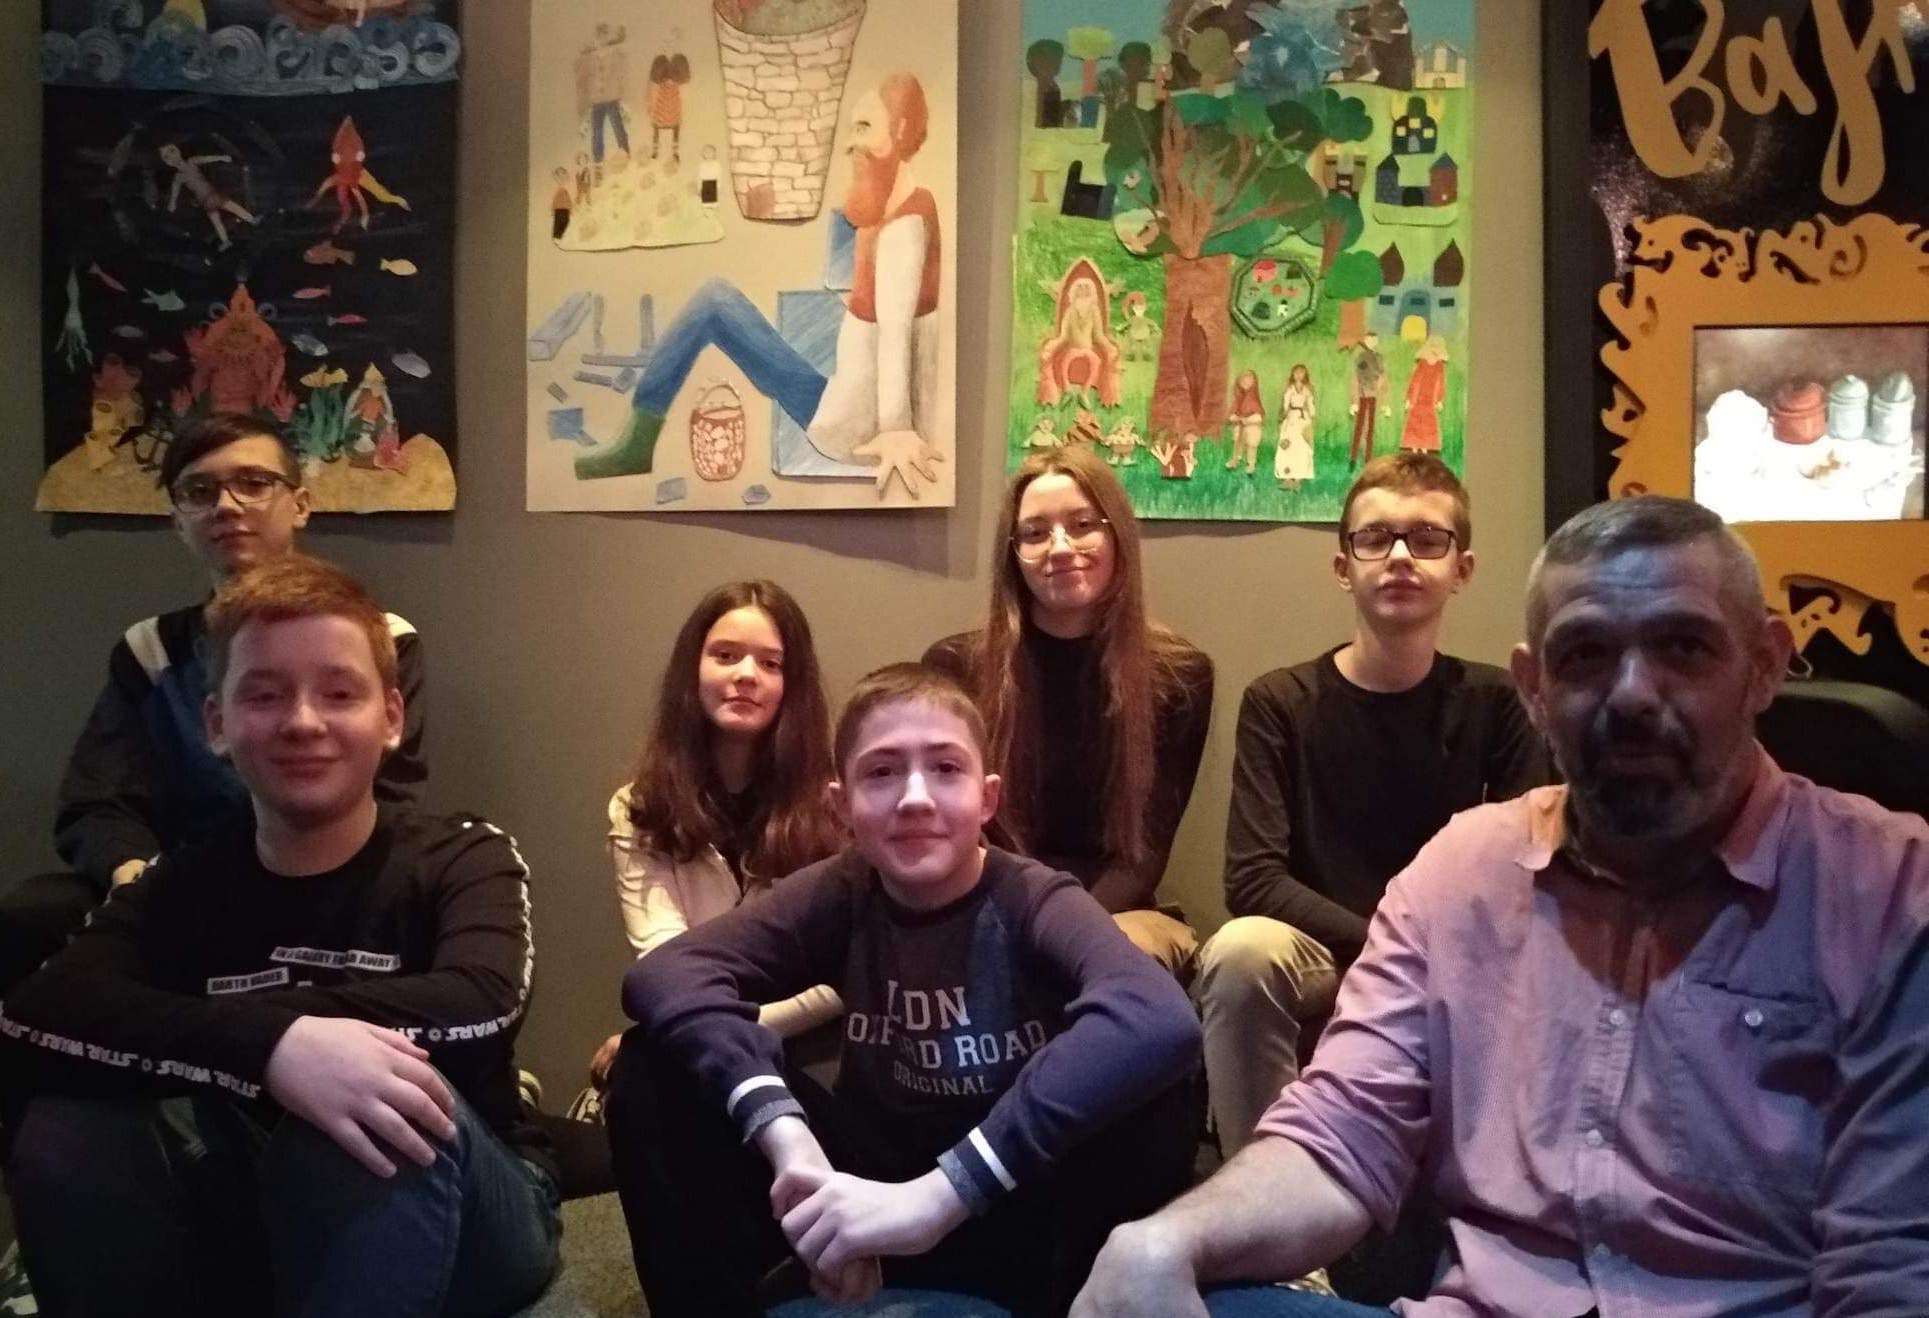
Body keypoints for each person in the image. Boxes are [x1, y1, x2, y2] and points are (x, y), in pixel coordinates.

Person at [1072, 495, 1929, 1317]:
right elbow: (1342, 1134)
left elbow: (1890, 1265)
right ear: (1534, 687)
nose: (1632, 693)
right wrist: (1166, 1240)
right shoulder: (1462, 870)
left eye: (1682, 646)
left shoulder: (1891, 890)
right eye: (1585, 654)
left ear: (1765, 664)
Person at [1, 554, 557, 1316]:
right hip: (249, 1179)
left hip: (476, 1201)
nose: (302, 721)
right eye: (264, 695)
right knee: (69, 1129)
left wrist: (268, 1039)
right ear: (217, 724)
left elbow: (481, 1002)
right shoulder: (184, 880)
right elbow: (38, 1013)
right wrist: (276, 1048)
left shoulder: (464, 856)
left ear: (391, 718)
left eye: (339, 693)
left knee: (364, 1120)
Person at [605, 663, 1201, 1318]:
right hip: (874, 1188)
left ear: (987, 799)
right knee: (650, 1066)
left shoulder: (1033, 897)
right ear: (841, 807)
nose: (915, 797)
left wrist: (941, 1197)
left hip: (1016, 1198)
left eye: (945, 768)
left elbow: (1158, 1016)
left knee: (1157, 1077)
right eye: (882, 772)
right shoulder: (840, 891)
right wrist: (783, 1130)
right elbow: (665, 974)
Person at [1192, 453, 1547, 1154]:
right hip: (1323, 952)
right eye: (1375, 538)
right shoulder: (1280, 702)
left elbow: (1523, 871)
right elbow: (1252, 880)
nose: (1400, 556)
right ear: (1343, 566)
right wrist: (1383, 944)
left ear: (1462, 569)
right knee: (1240, 950)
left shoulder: (1497, 703)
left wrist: (1426, 952)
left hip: (1451, 954)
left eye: (1427, 538)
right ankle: (1265, 1199)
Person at [1, 413, 427, 996]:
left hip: (325, 884)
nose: (227, 505)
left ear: (300, 504)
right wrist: (140, 880)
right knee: (33, 915)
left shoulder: (384, 641)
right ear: (178, 520)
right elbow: (98, 804)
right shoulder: (150, 652)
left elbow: (393, 795)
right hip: (178, 886)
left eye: (253, 483)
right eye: (200, 491)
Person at [576, 72, 944, 500]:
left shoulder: (902, 230)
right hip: (853, 408)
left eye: (863, 127)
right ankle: (639, 440)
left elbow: (896, 335)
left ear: (899, 130)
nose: (850, 143)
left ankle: (638, 442)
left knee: (714, 302)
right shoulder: (902, 205)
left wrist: (896, 432)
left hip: (848, 428)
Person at [924, 447, 1214, 975]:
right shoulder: (955, 667)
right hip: (985, 899)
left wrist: (1059, 932)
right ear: (1014, 553)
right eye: (1035, 533)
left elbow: (1143, 855)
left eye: (1082, 525)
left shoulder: (1180, 676)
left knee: (1114, 955)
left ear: (1117, 536)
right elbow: (955, 828)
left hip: (1119, 913)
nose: (1060, 547)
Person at [585, 580, 846, 1090]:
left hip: (815, 1048)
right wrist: (700, 1026)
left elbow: (841, 977)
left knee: (649, 1053)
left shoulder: (836, 808)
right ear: (693, 669)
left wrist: (724, 1027)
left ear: (792, 685)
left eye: (770, 664)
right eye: (725, 656)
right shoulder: (639, 809)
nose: (746, 675)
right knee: (643, 1072)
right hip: (697, 1035)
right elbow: (669, 966)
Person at [1274, 363, 1315, 489]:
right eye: (1296, 372)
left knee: (1301, 447)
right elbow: (1285, 404)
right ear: (1292, 374)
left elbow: (1311, 405)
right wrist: (1283, 416)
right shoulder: (1289, 389)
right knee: (1287, 446)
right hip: (1291, 419)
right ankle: (1287, 477)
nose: (1298, 375)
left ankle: (1298, 478)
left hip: (1303, 419)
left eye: (1301, 372)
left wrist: (1311, 416)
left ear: (1305, 375)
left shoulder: (1307, 390)